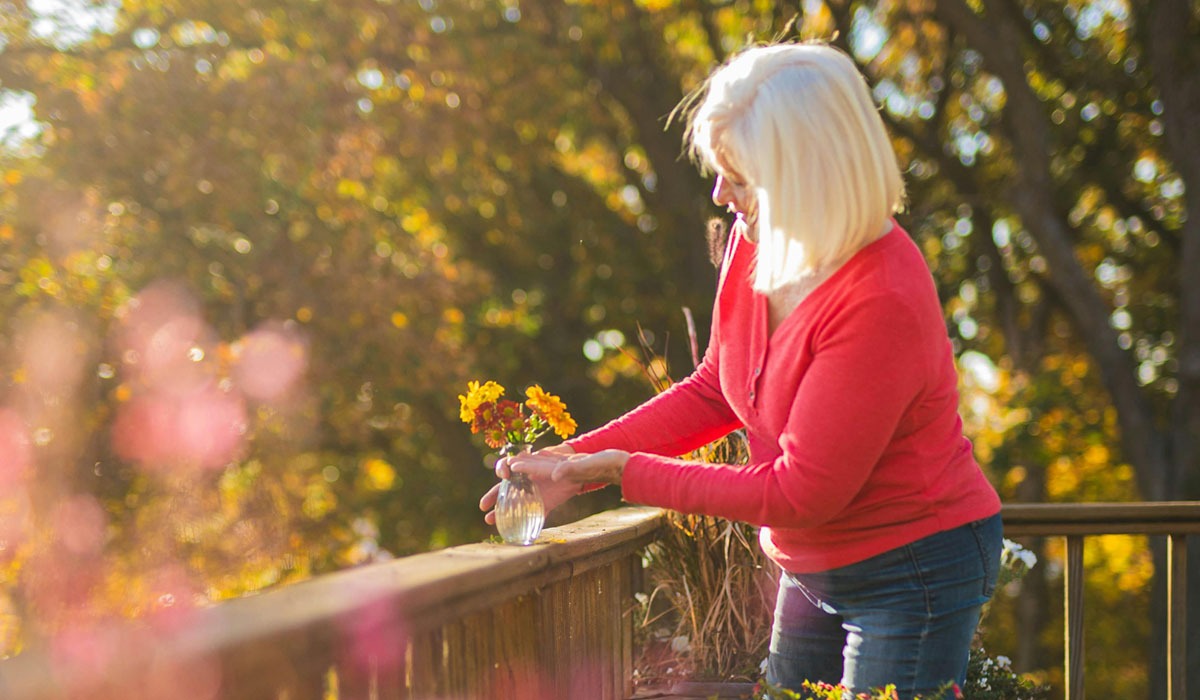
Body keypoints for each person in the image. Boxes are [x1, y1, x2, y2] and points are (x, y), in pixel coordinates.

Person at [480, 42, 1002, 699]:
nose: (719, 193)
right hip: (812, 567)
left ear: (808, 177)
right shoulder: (758, 241)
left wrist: (625, 472)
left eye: (741, 176)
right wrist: (571, 464)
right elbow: (712, 391)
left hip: (911, 570)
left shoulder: (881, 297)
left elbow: (800, 493)